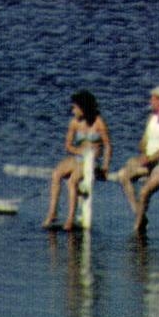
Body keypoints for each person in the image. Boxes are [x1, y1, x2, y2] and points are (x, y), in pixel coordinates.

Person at [114, 85, 159, 234]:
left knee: (144, 191)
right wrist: (143, 154)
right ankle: (139, 213)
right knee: (123, 174)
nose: (150, 101)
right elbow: (144, 141)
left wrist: (150, 159)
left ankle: (137, 229)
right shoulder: (152, 118)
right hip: (150, 162)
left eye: (153, 99)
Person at [43, 90, 111, 230]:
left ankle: (70, 218)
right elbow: (68, 145)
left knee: (72, 181)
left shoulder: (98, 122)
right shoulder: (74, 123)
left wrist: (105, 166)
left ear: (83, 108)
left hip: (92, 161)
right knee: (56, 174)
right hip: (78, 156)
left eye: (75, 107)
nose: (73, 111)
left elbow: (108, 146)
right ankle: (52, 213)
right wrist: (78, 151)